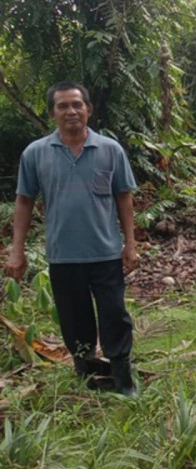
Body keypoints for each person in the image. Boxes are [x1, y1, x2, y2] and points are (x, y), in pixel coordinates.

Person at [4, 81, 139, 397]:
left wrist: (130, 244)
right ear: (52, 113)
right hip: (63, 254)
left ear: (88, 109)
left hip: (105, 252)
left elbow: (124, 197)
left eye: (77, 104)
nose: (71, 111)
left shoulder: (110, 150)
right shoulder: (36, 153)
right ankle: (87, 375)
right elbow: (24, 201)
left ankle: (123, 379)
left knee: (114, 314)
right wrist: (16, 250)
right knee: (74, 318)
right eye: (62, 106)